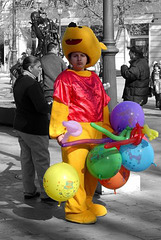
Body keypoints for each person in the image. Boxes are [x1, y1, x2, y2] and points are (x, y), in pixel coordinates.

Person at [49, 22, 111, 224]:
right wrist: (58, 130)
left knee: (93, 171)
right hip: (74, 133)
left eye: (82, 55)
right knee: (76, 172)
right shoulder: (64, 78)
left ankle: (87, 203)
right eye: (74, 55)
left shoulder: (94, 78)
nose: (78, 59)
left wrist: (107, 128)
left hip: (95, 132)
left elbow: (103, 105)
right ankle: (74, 210)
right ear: (69, 57)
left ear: (88, 57)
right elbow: (60, 106)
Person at [13, 56, 51, 201]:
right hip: (34, 128)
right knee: (41, 160)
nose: (41, 69)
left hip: (21, 126)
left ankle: (29, 190)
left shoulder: (19, 81)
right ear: (30, 68)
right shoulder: (32, 84)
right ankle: (47, 192)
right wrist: (51, 105)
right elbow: (41, 107)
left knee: (26, 160)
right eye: (38, 67)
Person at [41, 42, 67, 114]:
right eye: (57, 49)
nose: (57, 51)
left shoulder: (42, 60)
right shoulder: (59, 60)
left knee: (48, 112)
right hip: (59, 89)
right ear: (53, 49)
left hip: (47, 89)